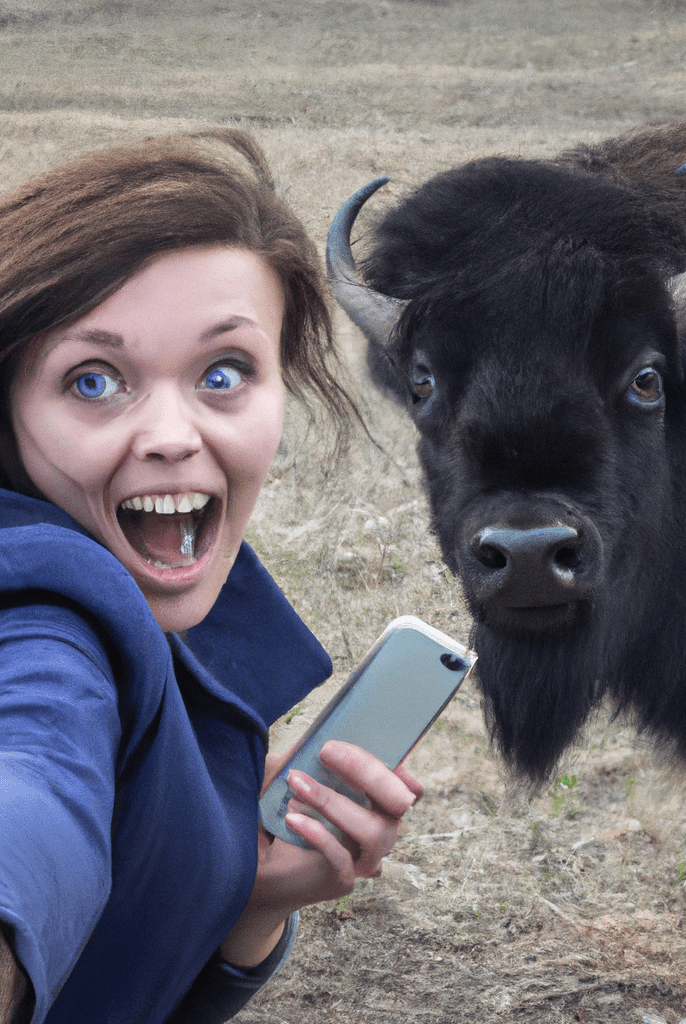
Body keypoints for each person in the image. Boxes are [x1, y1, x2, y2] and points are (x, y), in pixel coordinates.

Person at [0, 130, 423, 1024]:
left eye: (223, 373)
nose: (170, 434)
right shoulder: (46, 613)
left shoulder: (164, 588)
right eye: (92, 381)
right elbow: (32, 786)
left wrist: (250, 898)